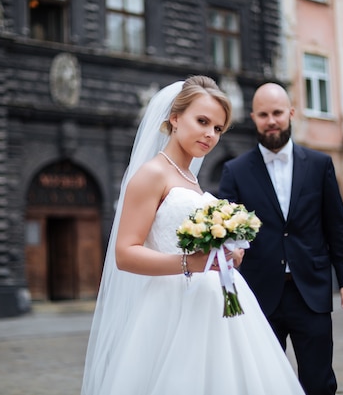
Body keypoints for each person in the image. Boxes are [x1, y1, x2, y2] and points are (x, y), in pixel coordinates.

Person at [81, 76, 304, 395]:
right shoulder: (152, 174)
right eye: (202, 121)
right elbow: (125, 253)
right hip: (172, 308)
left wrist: (227, 251)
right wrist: (189, 263)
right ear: (174, 118)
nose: (210, 134)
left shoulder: (190, 180)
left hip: (218, 305)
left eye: (217, 128)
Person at [218, 82, 343, 395]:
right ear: (253, 117)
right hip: (259, 295)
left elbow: (336, 226)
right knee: (264, 382)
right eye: (264, 114)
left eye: (278, 113)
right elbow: (224, 233)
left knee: (319, 380)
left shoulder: (320, 165)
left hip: (311, 291)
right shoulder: (234, 171)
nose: (272, 120)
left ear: (291, 113)